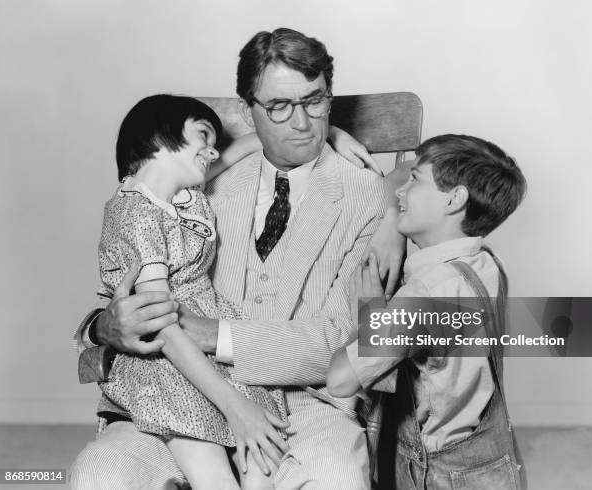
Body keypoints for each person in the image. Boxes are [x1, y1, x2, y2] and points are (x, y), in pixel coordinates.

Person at [71, 28, 407, 489]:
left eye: (315, 101)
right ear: (248, 109)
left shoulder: (366, 197)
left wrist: (214, 334)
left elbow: (341, 341)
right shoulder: (195, 181)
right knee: (99, 477)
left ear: (330, 97)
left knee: (335, 479)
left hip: (307, 404)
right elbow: (125, 259)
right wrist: (102, 327)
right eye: (278, 107)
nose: (303, 124)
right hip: (172, 391)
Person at [327, 134, 527, 489]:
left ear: (455, 198)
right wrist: (393, 216)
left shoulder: (424, 296)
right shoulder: (487, 264)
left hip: (439, 475)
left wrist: (370, 313)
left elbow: (341, 380)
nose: (401, 190)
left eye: (416, 181)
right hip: (493, 463)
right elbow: (401, 172)